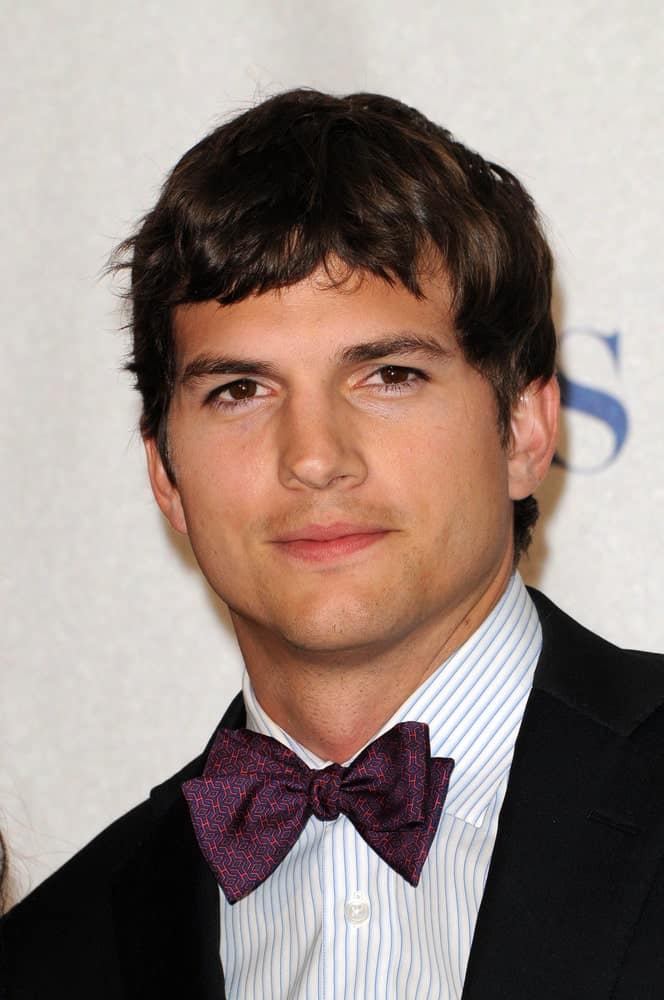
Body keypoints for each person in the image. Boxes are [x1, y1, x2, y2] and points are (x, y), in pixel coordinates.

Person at [1, 89, 663, 1000]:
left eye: (388, 376)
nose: (314, 458)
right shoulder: (55, 954)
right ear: (165, 473)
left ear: (521, 429)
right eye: (239, 390)